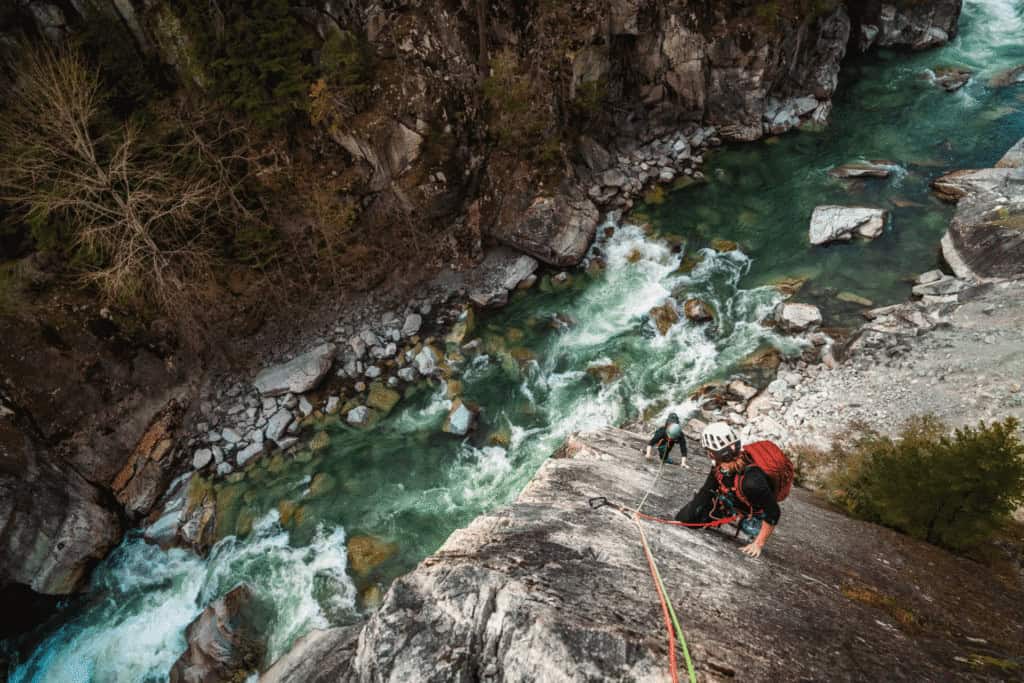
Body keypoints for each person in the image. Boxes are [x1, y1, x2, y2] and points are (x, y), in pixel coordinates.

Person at [674, 422, 779, 558]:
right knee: (686, 518)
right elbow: (706, 491)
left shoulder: (752, 481)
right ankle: (727, 513)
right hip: (731, 501)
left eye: (709, 451)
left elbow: (773, 512)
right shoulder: (719, 468)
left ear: (713, 454)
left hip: (751, 511)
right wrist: (689, 515)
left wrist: (758, 544)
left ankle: (745, 521)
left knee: (750, 528)